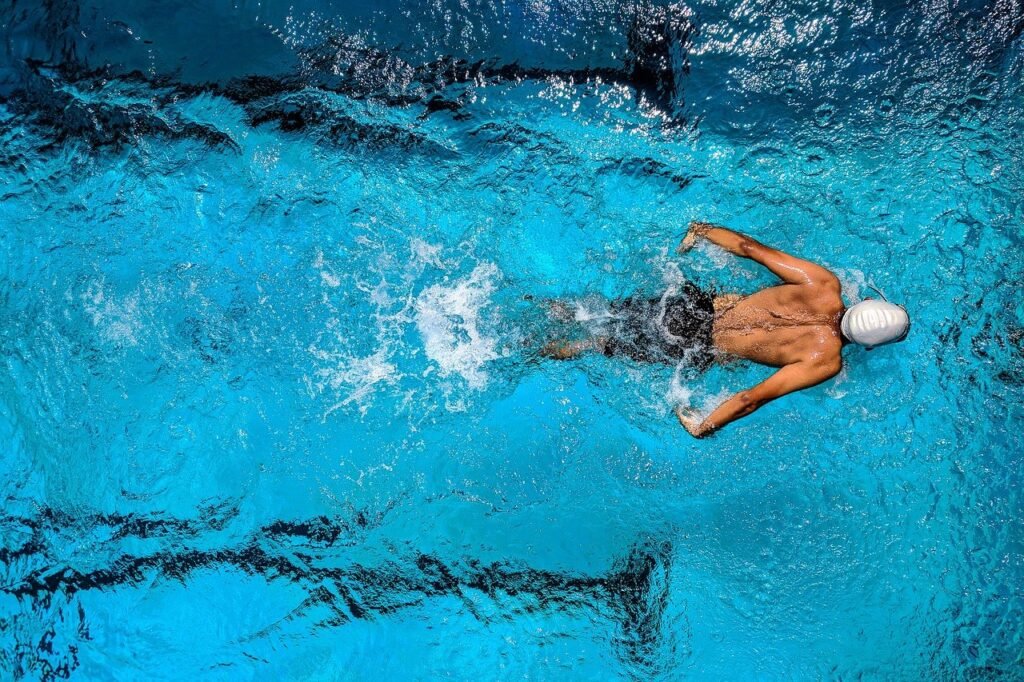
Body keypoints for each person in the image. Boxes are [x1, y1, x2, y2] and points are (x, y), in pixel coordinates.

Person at [541, 222, 910, 438]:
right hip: (696, 347)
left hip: (693, 306)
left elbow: (751, 248)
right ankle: (532, 350)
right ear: (870, 346)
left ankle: (541, 306)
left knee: (595, 312)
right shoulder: (825, 361)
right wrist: (704, 425)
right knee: (597, 344)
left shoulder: (823, 284)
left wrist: (703, 231)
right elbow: (752, 398)